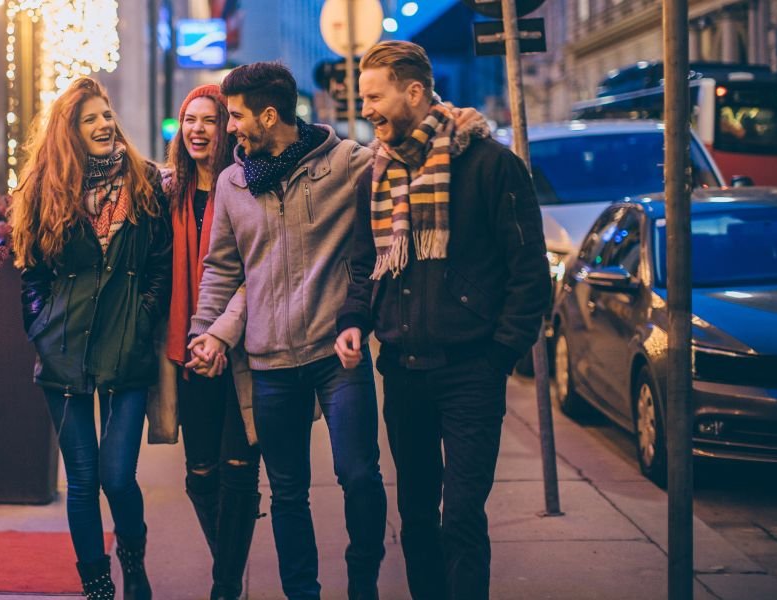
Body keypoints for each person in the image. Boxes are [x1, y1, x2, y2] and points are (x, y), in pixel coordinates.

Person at [335, 41, 552, 600]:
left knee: (460, 514)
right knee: (416, 515)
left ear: (414, 92)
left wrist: (499, 356)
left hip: (470, 371)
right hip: (402, 374)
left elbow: (529, 275)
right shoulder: (376, 178)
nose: (368, 110)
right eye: (364, 99)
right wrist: (355, 319)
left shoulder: (490, 166)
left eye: (376, 97)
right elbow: (365, 266)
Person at [186, 61, 388, 600]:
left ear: (269, 115)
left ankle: (363, 581)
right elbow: (223, 269)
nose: (230, 128)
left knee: (359, 475)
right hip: (269, 364)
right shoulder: (233, 183)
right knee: (288, 493)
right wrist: (205, 332)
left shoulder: (347, 163)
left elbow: (405, 156)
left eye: (235, 116)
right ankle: (304, 592)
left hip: (335, 353)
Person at [11, 76, 171, 600]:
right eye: (90, 119)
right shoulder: (45, 190)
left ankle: (134, 559)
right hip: (65, 351)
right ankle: (98, 586)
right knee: (81, 480)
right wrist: (41, 327)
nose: (104, 125)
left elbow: (159, 268)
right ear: (70, 132)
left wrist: (142, 319)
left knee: (117, 475)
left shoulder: (146, 184)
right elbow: (31, 273)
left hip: (126, 350)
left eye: (107, 115)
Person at [153, 84, 261, 599]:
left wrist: (221, 332)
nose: (197, 129)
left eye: (210, 120)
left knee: (239, 474)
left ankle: (225, 587)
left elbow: (254, 269)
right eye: (189, 119)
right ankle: (230, 571)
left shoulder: (247, 185)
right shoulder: (167, 191)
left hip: (242, 349)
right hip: (187, 349)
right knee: (200, 476)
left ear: (227, 127)